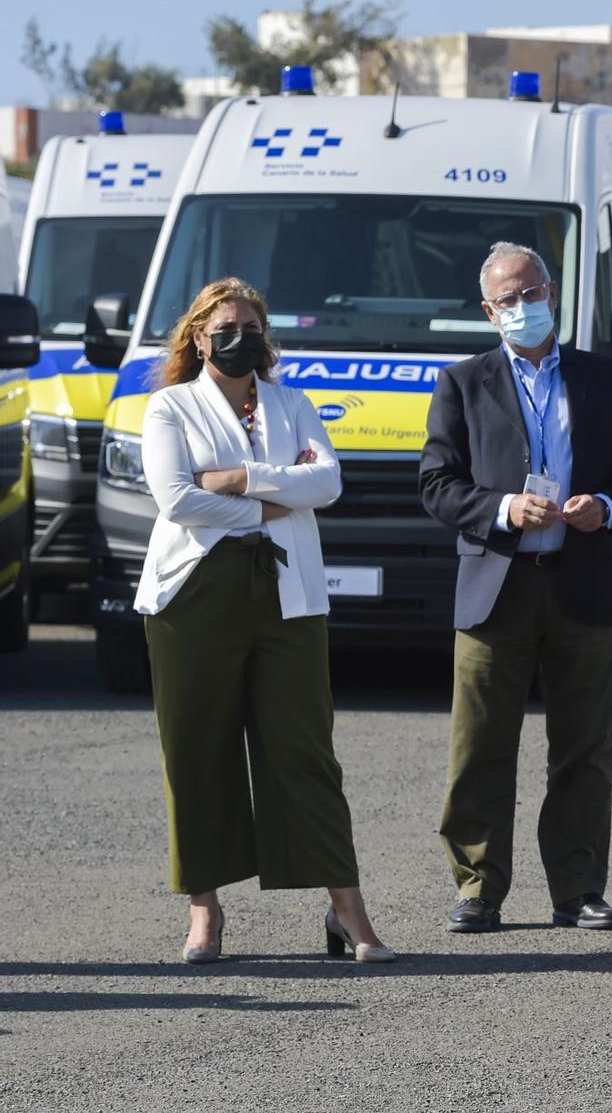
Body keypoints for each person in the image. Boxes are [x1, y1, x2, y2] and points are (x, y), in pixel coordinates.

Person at [138, 277, 393, 965]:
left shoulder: (292, 400)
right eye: (226, 328)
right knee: (196, 752)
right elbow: (177, 499)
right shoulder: (170, 407)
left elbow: (329, 481)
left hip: (288, 592)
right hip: (194, 595)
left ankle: (349, 913)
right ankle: (205, 912)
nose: (240, 338)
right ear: (198, 336)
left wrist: (239, 477)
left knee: (305, 753)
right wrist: (275, 493)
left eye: (253, 328)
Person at [419, 242, 612, 934]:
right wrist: (502, 508)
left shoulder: (600, 377)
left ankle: (578, 888)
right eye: (508, 299)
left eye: (533, 292)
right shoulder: (462, 382)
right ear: (488, 311)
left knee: (583, 747)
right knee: (480, 745)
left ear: (553, 293)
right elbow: (437, 483)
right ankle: (476, 886)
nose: (524, 307)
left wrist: (605, 509)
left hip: (580, 583)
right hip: (498, 586)